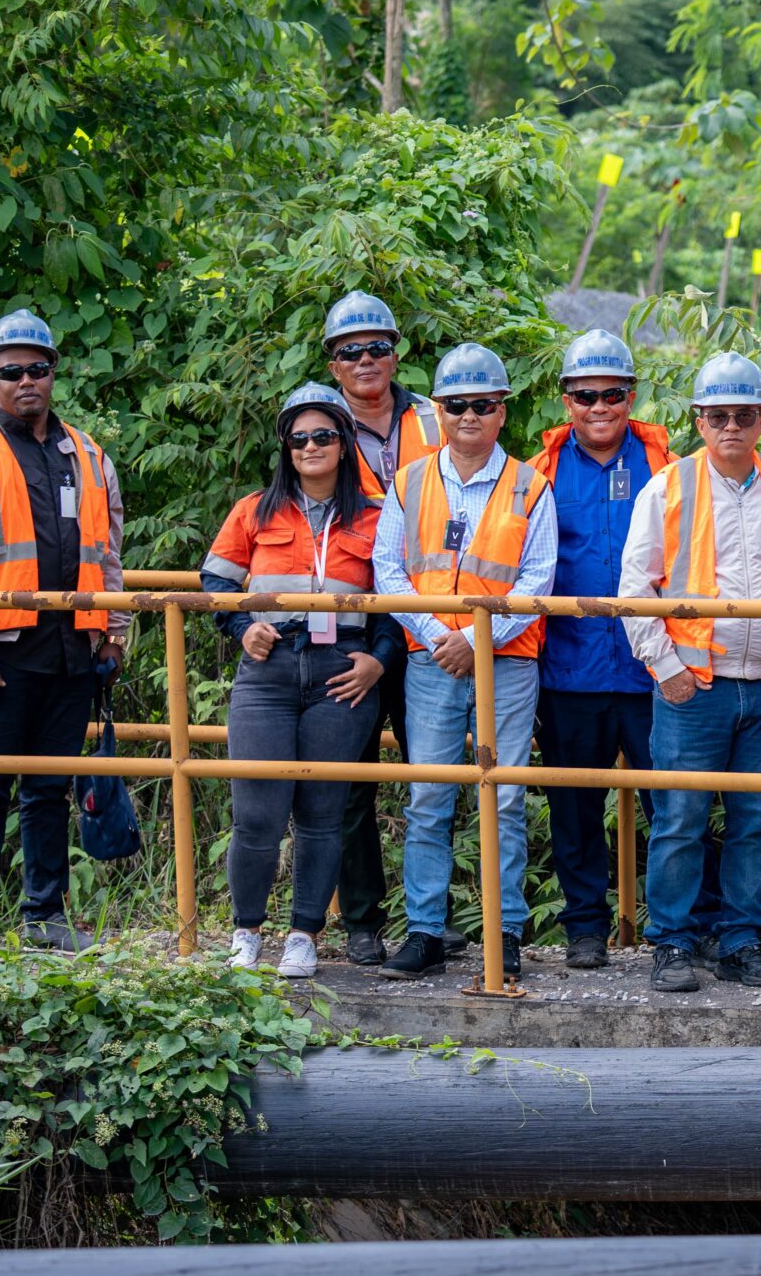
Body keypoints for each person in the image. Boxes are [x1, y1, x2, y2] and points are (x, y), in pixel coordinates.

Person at [621, 352, 761, 994]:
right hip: (694, 687)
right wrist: (665, 665)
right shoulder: (670, 487)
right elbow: (634, 584)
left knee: (756, 819)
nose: (730, 427)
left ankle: (740, 940)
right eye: (718, 416)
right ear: (699, 422)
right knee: (679, 817)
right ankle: (674, 944)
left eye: (742, 415)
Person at [0, 310, 126, 949]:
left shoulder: (89, 455)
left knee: (49, 786)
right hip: (2, 652)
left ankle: (46, 915)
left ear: (53, 375)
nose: (26, 381)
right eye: (11, 371)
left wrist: (113, 628)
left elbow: (109, 549)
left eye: (37, 369)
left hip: (73, 649)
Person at [529, 330, 722, 969]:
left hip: (656, 669)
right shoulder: (541, 472)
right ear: (566, 401)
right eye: (586, 395)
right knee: (575, 808)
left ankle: (686, 929)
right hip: (569, 669)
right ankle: (586, 928)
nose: (599, 406)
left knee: (676, 803)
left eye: (612, 393)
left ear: (631, 396)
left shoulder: (668, 465)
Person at [369, 344, 558, 981]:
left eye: (482, 405)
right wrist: (436, 633)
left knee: (502, 798)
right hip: (431, 664)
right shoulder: (409, 481)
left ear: (501, 412)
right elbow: (388, 569)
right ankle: (425, 930)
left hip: (505, 665)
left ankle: (504, 932)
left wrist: (477, 640)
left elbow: (537, 583)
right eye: (456, 405)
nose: (469, 416)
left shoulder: (532, 487)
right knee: (429, 797)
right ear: (439, 411)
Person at [203, 384, 402, 977]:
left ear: (344, 444)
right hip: (269, 669)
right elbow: (213, 586)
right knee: (257, 812)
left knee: (322, 811)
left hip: (343, 670)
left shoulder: (377, 513)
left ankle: (305, 934)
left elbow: (397, 602)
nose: (311, 446)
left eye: (323, 436)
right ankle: (246, 932)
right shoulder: (254, 511)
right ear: (286, 449)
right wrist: (240, 628)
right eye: (299, 438)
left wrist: (380, 660)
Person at [321, 288, 440, 965]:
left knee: (438, 775)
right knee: (349, 779)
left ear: (398, 353)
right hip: (352, 625)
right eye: (350, 351)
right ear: (334, 364)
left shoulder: (437, 415)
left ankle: (433, 922)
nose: (366, 360)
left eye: (377, 347)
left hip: (428, 621)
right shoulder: (315, 424)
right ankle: (363, 920)